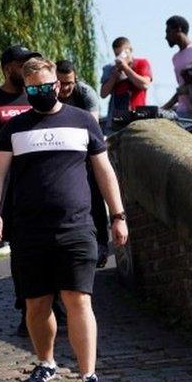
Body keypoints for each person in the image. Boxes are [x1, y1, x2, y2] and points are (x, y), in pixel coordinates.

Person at [0, 57, 129, 382]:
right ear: (26, 87)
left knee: (78, 300)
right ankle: (45, 361)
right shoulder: (14, 129)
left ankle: (89, 375)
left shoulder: (82, 121)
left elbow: (104, 171)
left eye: (46, 87)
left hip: (77, 227)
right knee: (37, 305)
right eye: (32, 88)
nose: (40, 93)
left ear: (57, 85)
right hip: (29, 231)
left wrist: (118, 215)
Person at [58, 59, 109, 267]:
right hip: (62, 155)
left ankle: (102, 244)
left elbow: (92, 127)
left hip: (85, 151)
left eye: (69, 83)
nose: (65, 88)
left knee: (95, 197)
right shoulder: (50, 94)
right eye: (61, 83)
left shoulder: (85, 93)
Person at [0, 45, 41, 152]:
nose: (28, 71)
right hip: (3, 166)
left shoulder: (37, 96)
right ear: (8, 69)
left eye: (30, 66)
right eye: (23, 66)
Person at [99, 37, 152, 130]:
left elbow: (144, 84)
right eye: (117, 55)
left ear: (130, 50)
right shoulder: (111, 68)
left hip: (137, 116)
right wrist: (114, 77)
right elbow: (103, 94)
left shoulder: (141, 63)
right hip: (117, 118)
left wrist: (126, 68)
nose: (120, 58)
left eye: (122, 54)